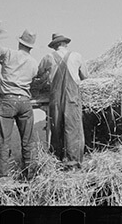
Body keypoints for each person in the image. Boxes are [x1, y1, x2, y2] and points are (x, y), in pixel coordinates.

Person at [0, 26, 38, 179]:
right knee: (28, 141)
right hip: (25, 102)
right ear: (31, 46)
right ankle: (30, 176)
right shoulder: (33, 63)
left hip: (8, 101)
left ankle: (3, 176)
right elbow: (36, 77)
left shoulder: (9, 54)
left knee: (4, 140)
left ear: (20, 42)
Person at [37, 33, 89, 168]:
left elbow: (39, 74)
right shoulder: (77, 56)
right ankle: (73, 161)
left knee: (56, 127)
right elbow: (85, 76)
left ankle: (57, 160)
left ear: (54, 46)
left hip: (55, 97)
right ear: (66, 44)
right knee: (73, 127)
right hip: (72, 96)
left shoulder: (48, 57)